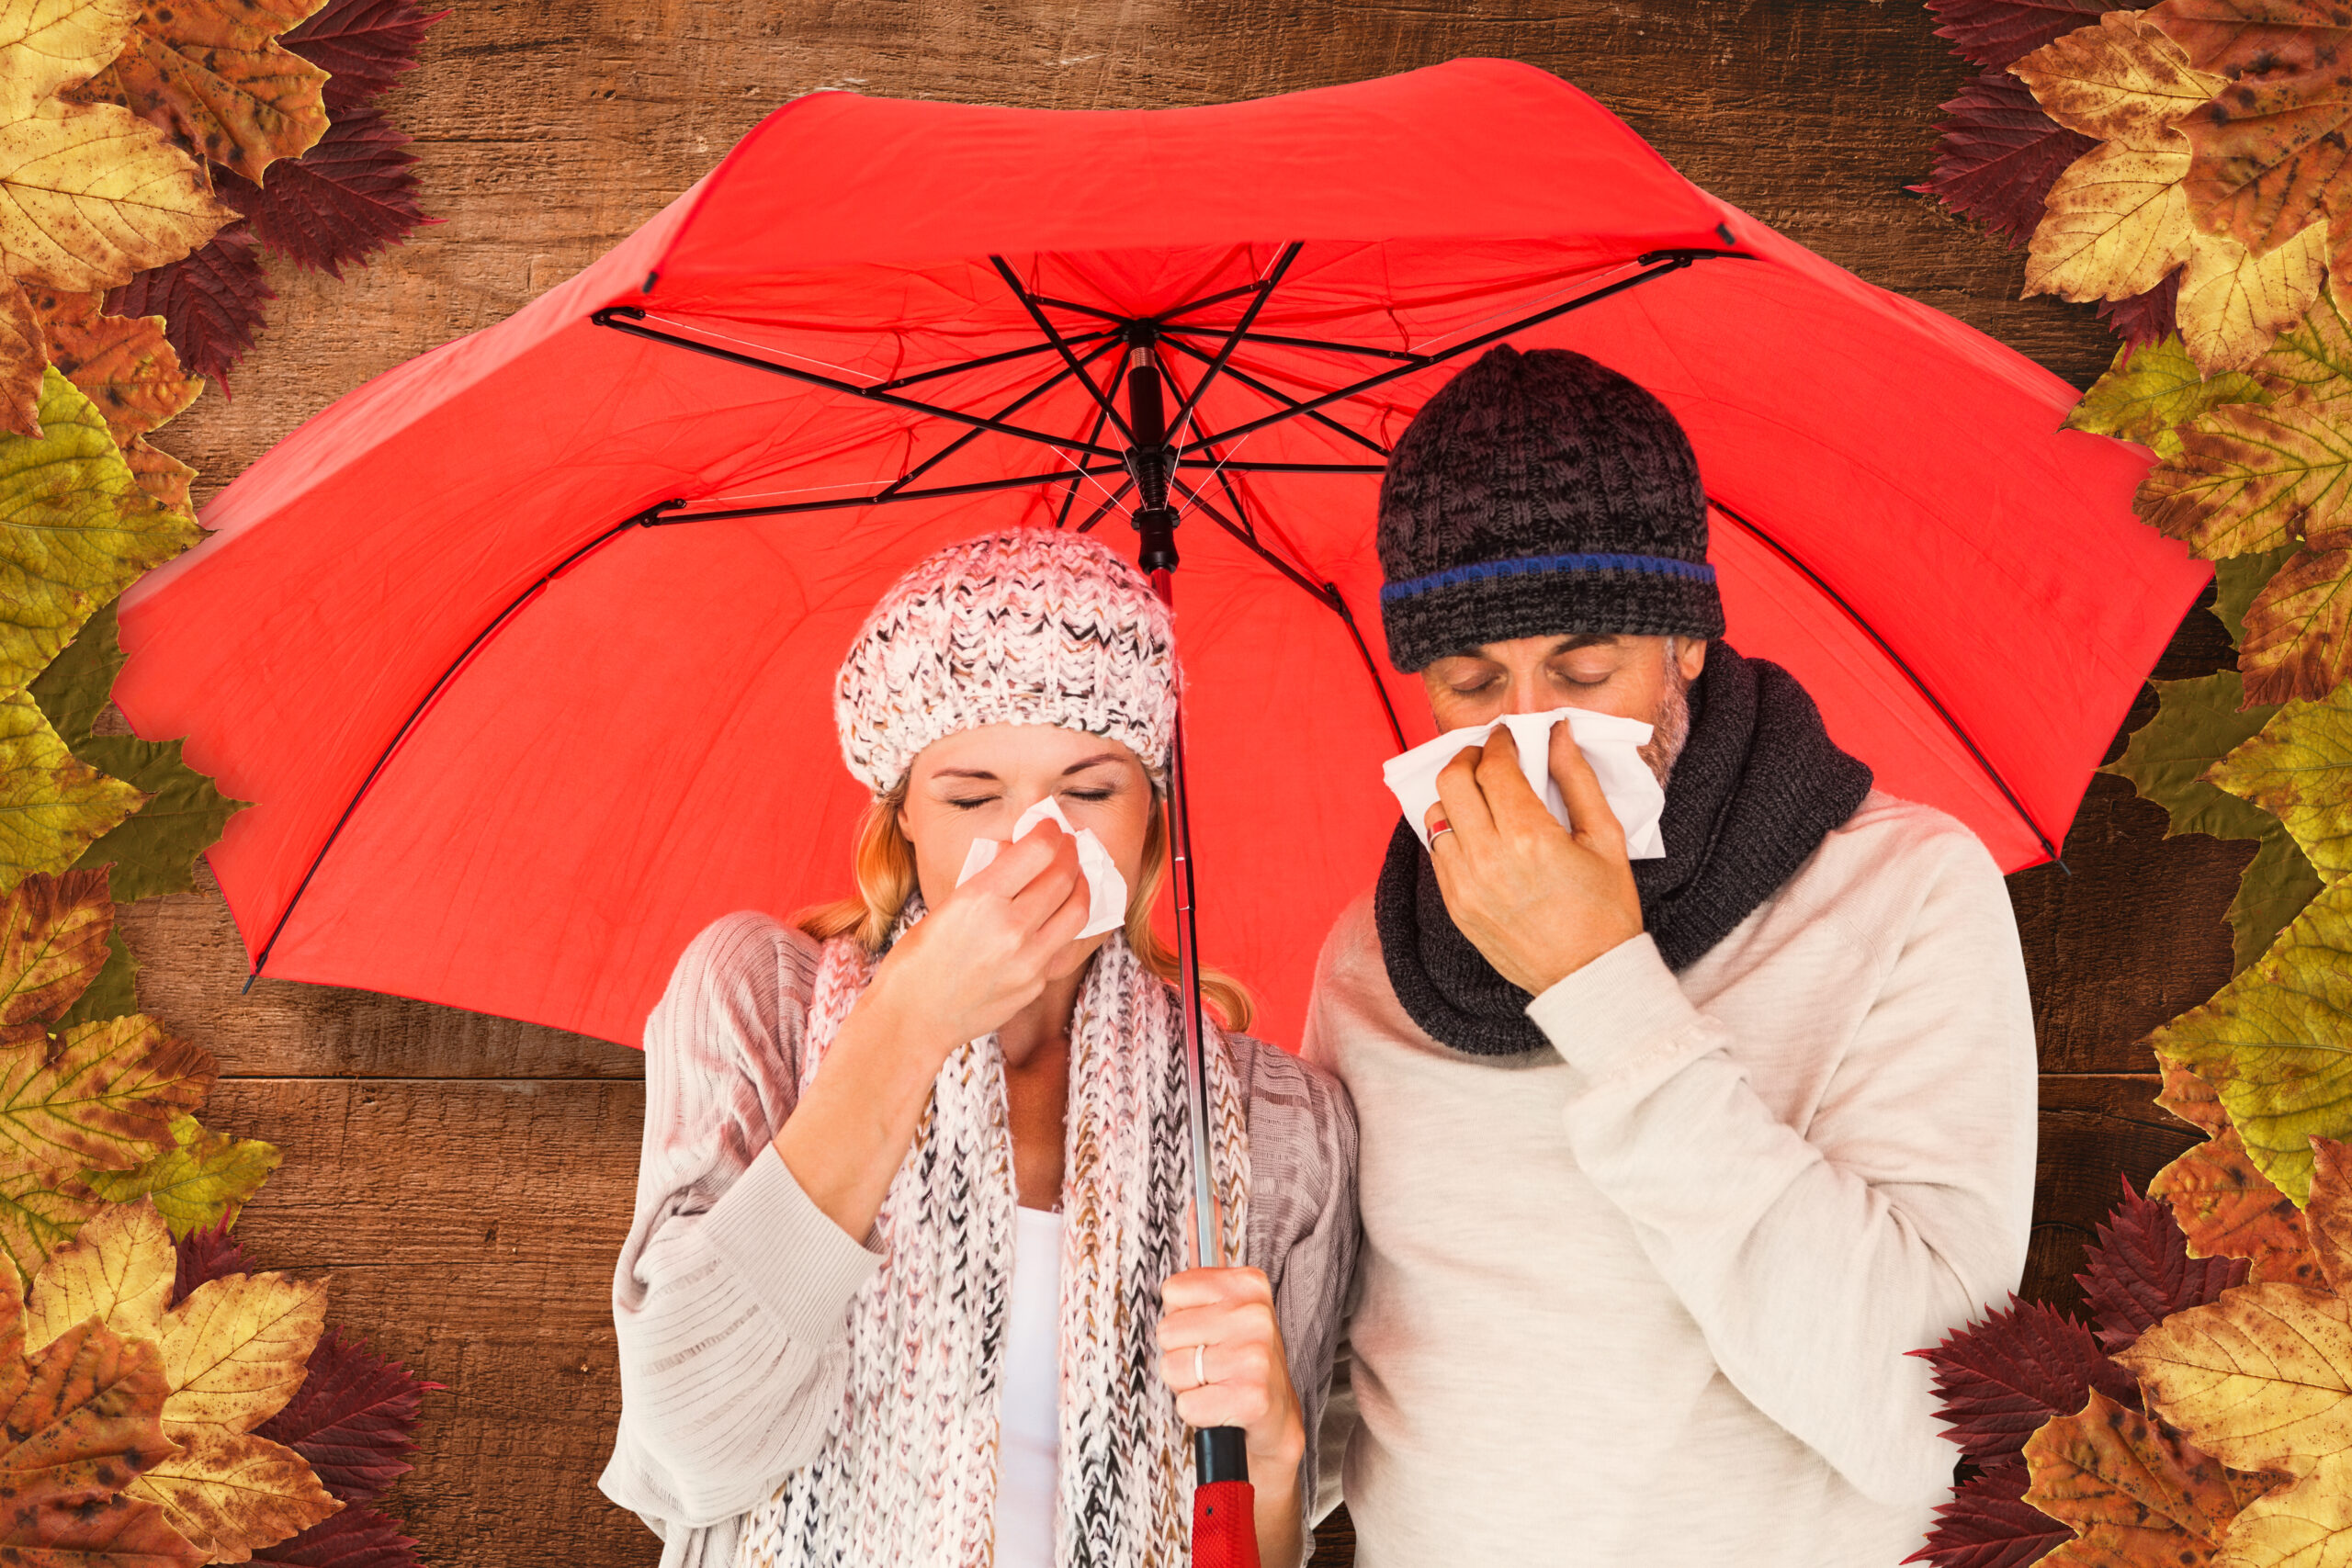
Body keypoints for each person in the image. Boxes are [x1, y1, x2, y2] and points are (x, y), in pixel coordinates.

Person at [1304, 345, 2035, 1566]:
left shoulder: (1901, 891)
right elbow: (1340, 1408)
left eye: (1584, 669)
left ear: (1685, 639)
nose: (1529, 723)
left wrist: (1602, 986)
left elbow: (1929, 1408)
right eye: (1472, 680)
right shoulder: (1371, 959)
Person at [598, 528, 1358, 1568]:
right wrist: (908, 1021)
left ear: (1151, 816)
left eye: (1090, 790)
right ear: (902, 811)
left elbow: (1260, 1552)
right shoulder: (759, 1002)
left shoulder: (1281, 1129)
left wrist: (1269, 1461)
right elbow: (693, 1450)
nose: (1036, 840)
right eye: (971, 795)